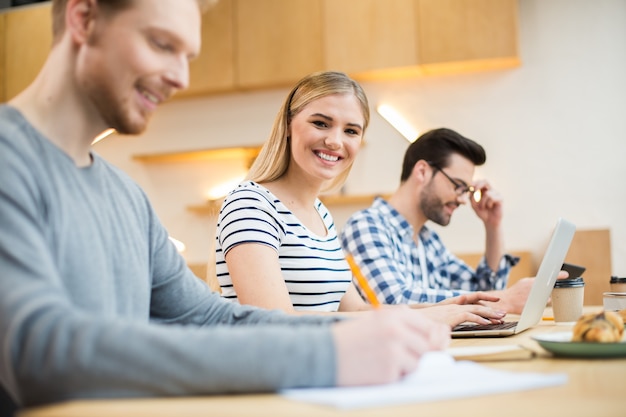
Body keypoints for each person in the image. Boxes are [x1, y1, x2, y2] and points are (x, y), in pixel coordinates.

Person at [0, 0, 451, 411]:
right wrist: (331, 352)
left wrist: (368, 333)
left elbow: (208, 317)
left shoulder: (126, 195)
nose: (180, 77)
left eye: (187, 57)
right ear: (84, 18)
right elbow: (40, 353)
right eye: (162, 44)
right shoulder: (9, 160)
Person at [214, 72, 506, 327]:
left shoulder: (320, 215)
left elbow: (357, 310)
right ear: (289, 125)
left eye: (351, 130)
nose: (335, 141)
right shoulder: (251, 204)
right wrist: (425, 317)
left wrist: (446, 308)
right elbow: (275, 323)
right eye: (321, 123)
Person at [341, 128, 534, 314]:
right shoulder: (366, 225)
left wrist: (493, 226)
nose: (462, 199)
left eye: (466, 191)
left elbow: (484, 290)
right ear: (422, 172)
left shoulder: (429, 241)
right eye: (459, 186)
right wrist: (505, 300)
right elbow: (394, 301)